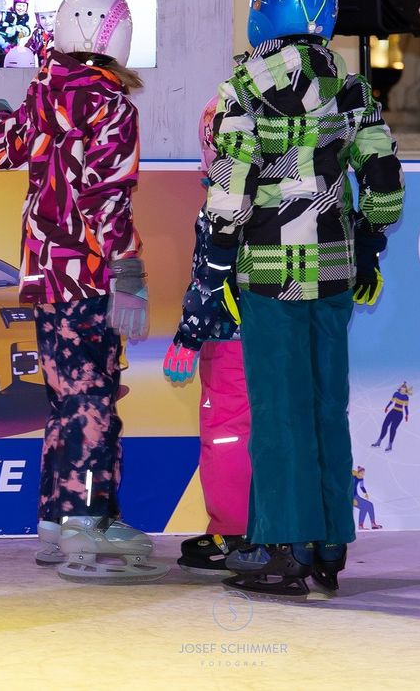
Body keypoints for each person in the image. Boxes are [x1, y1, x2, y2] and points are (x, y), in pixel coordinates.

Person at [208, 0, 404, 597]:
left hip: (267, 271)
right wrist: (369, 242)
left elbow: (230, 193)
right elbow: (382, 178)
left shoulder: (243, 89)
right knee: (327, 403)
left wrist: (217, 257)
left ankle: (282, 546)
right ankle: (328, 544)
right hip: (335, 267)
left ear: (266, 12)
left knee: (276, 409)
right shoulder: (353, 90)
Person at [0, 0, 168, 584]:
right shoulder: (110, 105)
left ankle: (57, 523)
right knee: (93, 399)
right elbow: (105, 194)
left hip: (44, 272)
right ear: (113, 37)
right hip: (88, 271)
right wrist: (126, 269)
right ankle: (89, 518)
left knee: (65, 397)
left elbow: (4, 153)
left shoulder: (42, 89)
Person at [163, 97, 252, 575]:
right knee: (278, 430)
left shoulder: (222, 203)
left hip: (229, 338)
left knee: (228, 432)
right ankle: (287, 529)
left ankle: (233, 532)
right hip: (281, 335)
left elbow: (208, 278)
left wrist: (188, 336)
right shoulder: (286, 193)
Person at [372, 381, 412, 451]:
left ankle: (390, 445)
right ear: (400, 388)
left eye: (404, 387)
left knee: (392, 429)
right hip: (392, 411)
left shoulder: (406, 397)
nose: (403, 388)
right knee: (385, 425)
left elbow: (406, 407)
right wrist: (387, 407)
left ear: (406, 389)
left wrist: (407, 415)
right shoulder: (396, 394)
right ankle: (379, 441)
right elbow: (391, 401)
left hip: (399, 414)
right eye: (402, 387)